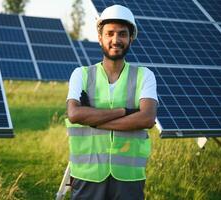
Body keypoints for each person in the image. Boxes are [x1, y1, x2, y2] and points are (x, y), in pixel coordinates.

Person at [65, 5, 158, 200]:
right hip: (87, 174)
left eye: (122, 34)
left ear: (131, 38)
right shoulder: (80, 74)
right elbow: (74, 114)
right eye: (110, 33)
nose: (116, 40)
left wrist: (92, 118)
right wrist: (125, 111)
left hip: (129, 175)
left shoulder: (144, 76)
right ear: (100, 37)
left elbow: (147, 118)